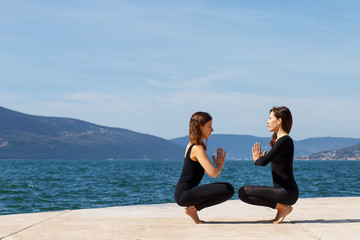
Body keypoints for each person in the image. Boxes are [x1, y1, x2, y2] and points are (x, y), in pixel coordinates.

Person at [238, 106, 299, 224]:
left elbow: (262, 162)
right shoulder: (280, 141)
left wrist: (257, 159)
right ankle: (282, 208)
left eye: (270, 118)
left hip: (287, 192)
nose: (267, 121)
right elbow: (264, 160)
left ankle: (283, 208)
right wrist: (261, 159)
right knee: (243, 194)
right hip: (281, 191)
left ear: (279, 121)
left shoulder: (285, 140)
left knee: (243, 192)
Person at [174, 111, 234, 224]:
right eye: (209, 126)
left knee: (226, 188)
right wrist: (220, 164)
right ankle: (193, 209)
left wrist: (214, 165)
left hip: (182, 194)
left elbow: (205, 171)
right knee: (228, 189)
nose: (212, 130)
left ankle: (193, 209)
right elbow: (213, 173)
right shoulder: (197, 148)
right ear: (199, 127)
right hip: (185, 194)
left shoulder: (192, 144)